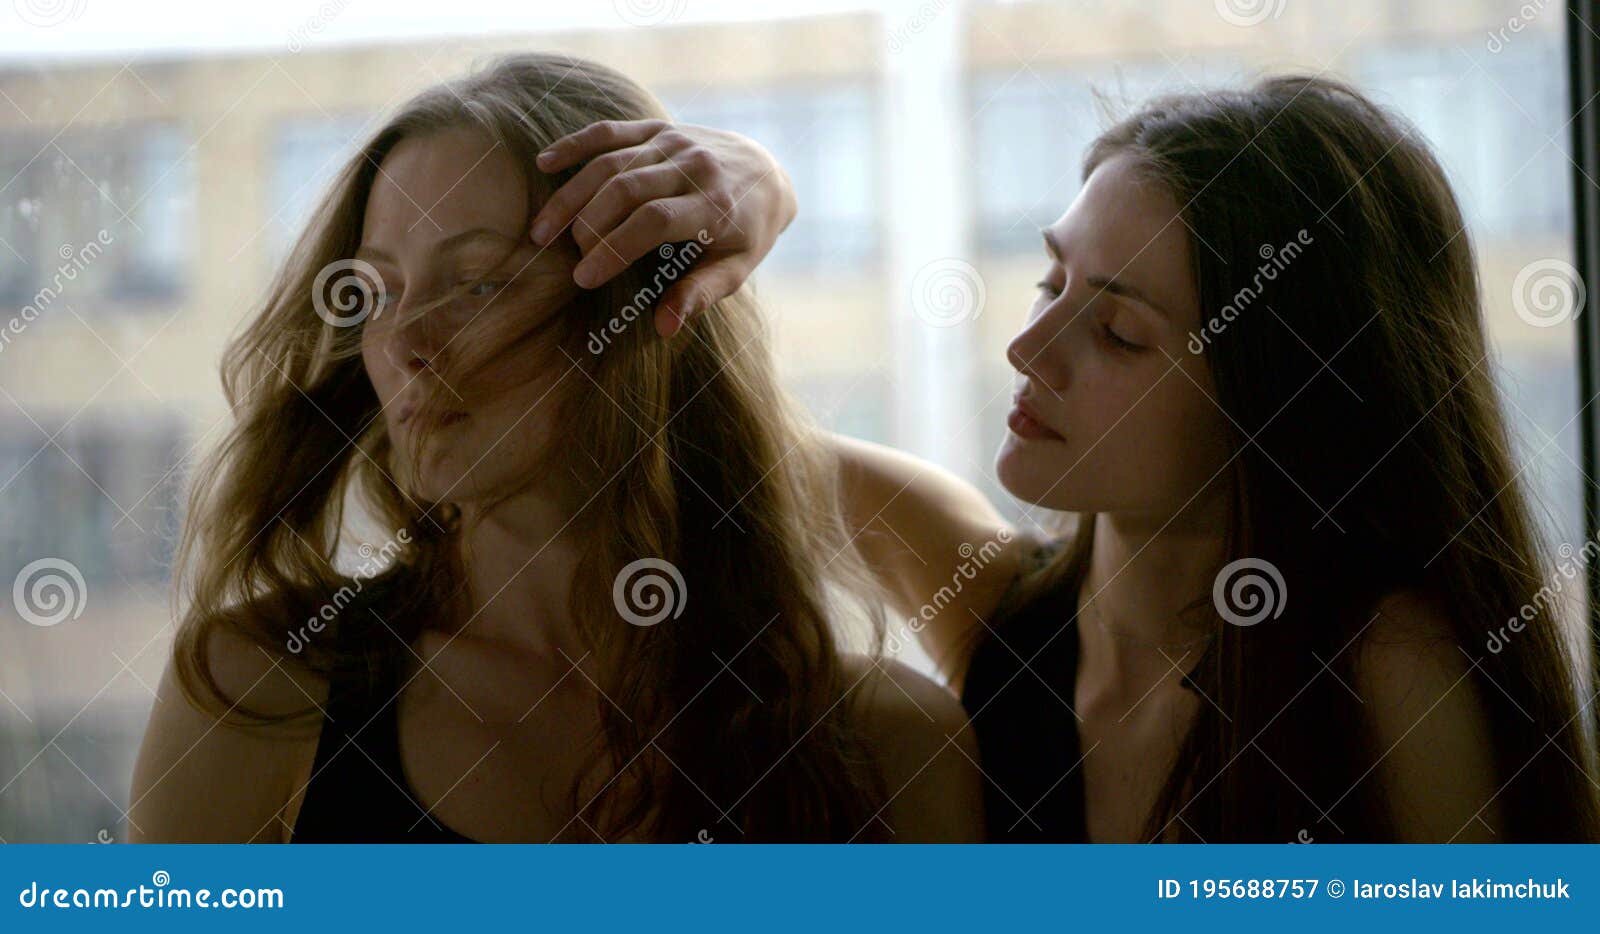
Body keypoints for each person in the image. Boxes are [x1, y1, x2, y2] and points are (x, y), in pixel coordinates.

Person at [532, 74, 1600, 842]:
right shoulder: (994, 609)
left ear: (1289, 397)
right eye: (1052, 285)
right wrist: (756, 186)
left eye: (1120, 333)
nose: (1026, 348)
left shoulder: (1389, 672)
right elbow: (688, 446)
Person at [128, 52, 983, 844]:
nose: (405, 343)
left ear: (649, 311)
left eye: (479, 284)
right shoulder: (260, 690)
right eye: (378, 290)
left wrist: (763, 179)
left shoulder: (889, 744)